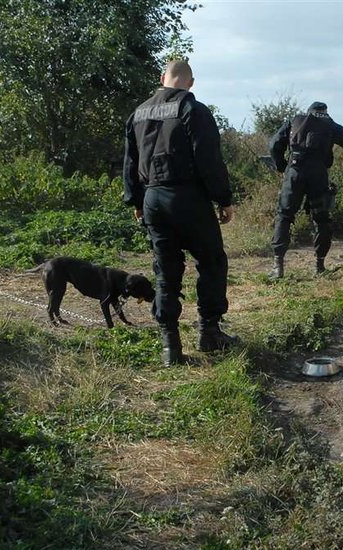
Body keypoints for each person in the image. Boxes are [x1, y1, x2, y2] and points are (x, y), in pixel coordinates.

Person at [123, 59, 237, 366]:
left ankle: (170, 347)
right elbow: (208, 159)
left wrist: (135, 200)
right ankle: (209, 333)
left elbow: (130, 163)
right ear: (190, 82)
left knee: (165, 270)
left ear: (162, 78)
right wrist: (224, 199)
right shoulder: (193, 110)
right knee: (212, 261)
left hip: (152, 200)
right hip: (187, 198)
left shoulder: (138, 112)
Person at [268, 101, 343, 278]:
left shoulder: (294, 120)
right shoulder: (331, 125)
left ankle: (277, 267)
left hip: (294, 173)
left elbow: (274, 145)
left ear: (309, 111)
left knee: (284, 216)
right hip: (318, 175)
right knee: (321, 219)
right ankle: (319, 266)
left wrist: (282, 167)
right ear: (325, 112)